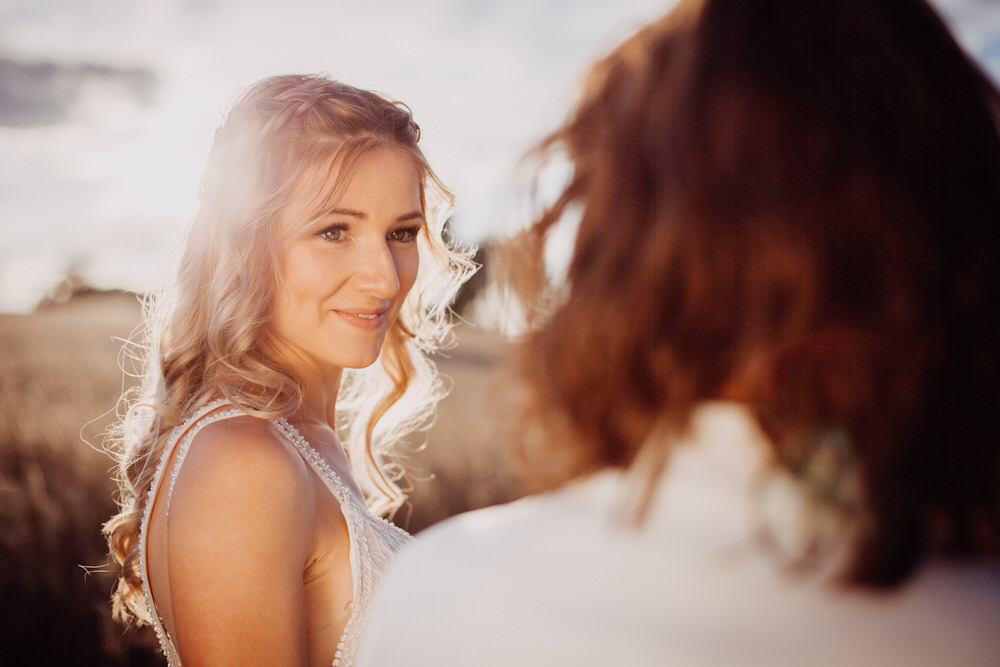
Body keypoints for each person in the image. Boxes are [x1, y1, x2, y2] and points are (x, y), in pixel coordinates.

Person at [356, 0, 1000, 664]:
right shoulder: (978, 621)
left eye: (402, 233)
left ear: (619, 256)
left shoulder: (444, 599)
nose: (382, 275)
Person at [102, 74, 474, 666]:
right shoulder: (243, 463)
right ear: (244, 245)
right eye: (334, 231)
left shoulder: (295, 439)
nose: (385, 278)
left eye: (401, 233)